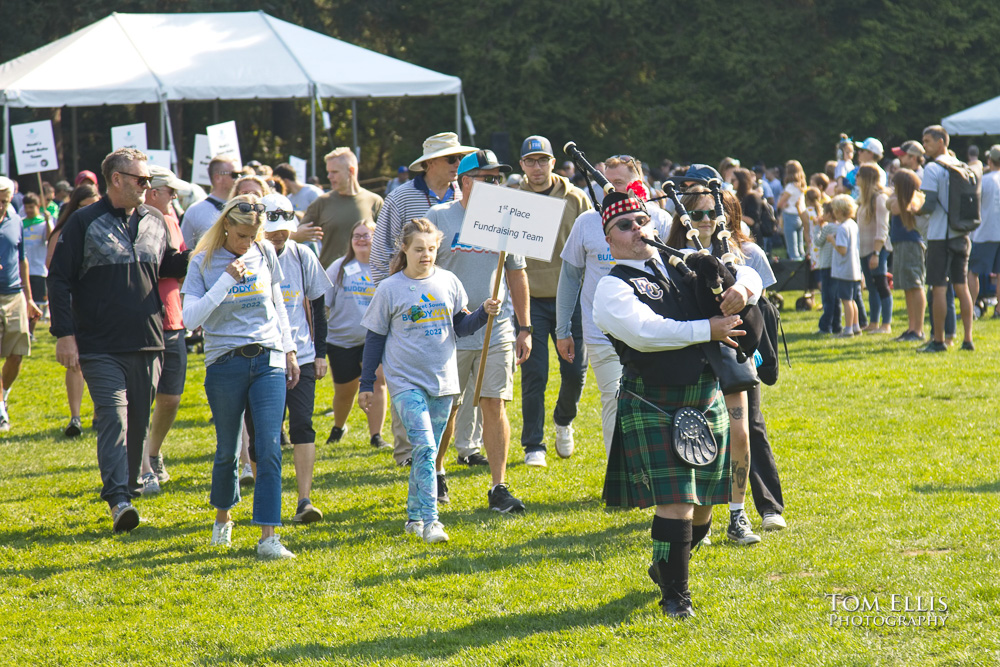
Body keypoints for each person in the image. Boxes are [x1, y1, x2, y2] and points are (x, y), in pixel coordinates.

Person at [593, 190, 754, 618]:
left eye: (641, 221)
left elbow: (748, 271)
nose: (636, 230)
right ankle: (676, 598)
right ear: (609, 241)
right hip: (654, 400)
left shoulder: (683, 261)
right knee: (677, 502)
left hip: (703, 396)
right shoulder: (610, 288)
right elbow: (647, 332)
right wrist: (708, 329)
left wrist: (739, 288)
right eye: (623, 227)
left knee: (703, 509)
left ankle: (665, 567)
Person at [48, 148, 190, 533]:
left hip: (148, 340)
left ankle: (128, 487)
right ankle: (118, 500)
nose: (148, 186)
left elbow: (166, 267)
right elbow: (58, 279)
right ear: (116, 179)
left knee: (138, 424)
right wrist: (64, 334)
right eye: (142, 180)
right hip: (98, 343)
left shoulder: (156, 221)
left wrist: (201, 255)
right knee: (113, 416)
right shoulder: (83, 223)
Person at [358, 218, 499, 543]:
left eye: (432, 249)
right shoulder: (389, 289)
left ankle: (412, 516)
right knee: (423, 445)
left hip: (443, 381)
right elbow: (375, 339)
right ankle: (431, 521)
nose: (426, 255)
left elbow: (460, 327)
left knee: (428, 451)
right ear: (404, 249)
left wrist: (483, 313)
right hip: (405, 382)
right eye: (419, 249)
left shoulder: (449, 281)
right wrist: (367, 384)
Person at [180, 194, 300, 558]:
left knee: (269, 447)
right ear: (226, 226)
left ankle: (269, 537)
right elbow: (191, 319)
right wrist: (226, 281)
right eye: (241, 236)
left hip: (268, 358)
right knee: (227, 449)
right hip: (224, 362)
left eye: (253, 236)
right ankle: (223, 520)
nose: (248, 243)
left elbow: (279, 305)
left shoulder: (264, 254)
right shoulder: (202, 262)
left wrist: (289, 351)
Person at [663, 170, 767, 545]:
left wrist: (742, 287)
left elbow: (750, 277)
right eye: (696, 215)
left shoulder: (733, 251)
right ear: (682, 220)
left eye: (711, 213)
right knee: (695, 439)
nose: (705, 221)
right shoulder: (667, 257)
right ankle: (695, 518)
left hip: (727, 352)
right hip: (688, 354)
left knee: (739, 434)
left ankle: (738, 516)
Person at [427, 149, 530, 512]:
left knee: (494, 402)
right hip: (447, 329)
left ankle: (499, 487)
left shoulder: (507, 219)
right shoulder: (439, 216)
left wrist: (525, 326)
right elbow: (422, 269)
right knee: (447, 406)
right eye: (488, 178)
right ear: (466, 181)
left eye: (498, 178)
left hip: (496, 328)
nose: (496, 184)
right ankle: (436, 472)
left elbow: (517, 273)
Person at [368, 132, 475, 466]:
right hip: (404, 303)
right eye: (451, 159)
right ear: (429, 163)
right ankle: (407, 453)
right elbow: (379, 249)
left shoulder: (467, 196)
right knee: (405, 377)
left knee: (446, 386)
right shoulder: (400, 198)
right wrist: (392, 294)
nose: (458, 165)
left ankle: (451, 450)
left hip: (446, 301)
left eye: (459, 159)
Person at [556, 155, 671, 456]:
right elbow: (569, 277)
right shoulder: (587, 222)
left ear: (638, 183)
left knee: (652, 398)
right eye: (604, 182)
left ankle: (650, 467)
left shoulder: (658, 220)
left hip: (651, 328)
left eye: (617, 183)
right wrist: (562, 328)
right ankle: (618, 476)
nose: (608, 189)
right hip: (600, 333)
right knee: (615, 397)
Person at [247, 193, 332, 524]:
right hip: (261, 356)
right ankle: (265, 502)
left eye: (284, 228)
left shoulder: (302, 256)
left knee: (302, 424)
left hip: (304, 356)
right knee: (262, 432)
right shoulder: (250, 256)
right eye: (273, 228)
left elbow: (318, 307)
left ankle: (304, 500)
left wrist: (321, 353)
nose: (279, 234)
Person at [517, 135, 592, 466]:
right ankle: (534, 443)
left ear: (552, 162)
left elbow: (593, 241)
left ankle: (563, 420)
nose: (537, 167)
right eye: (530, 161)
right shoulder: (511, 199)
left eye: (542, 160)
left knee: (575, 372)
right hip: (529, 298)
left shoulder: (576, 198)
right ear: (522, 165)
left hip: (570, 298)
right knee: (535, 374)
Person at [134, 166, 189, 495]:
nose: (174, 197)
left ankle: (153, 452)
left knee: (171, 398)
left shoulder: (172, 221)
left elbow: (177, 272)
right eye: (170, 192)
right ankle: (142, 467)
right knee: (142, 398)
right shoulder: (134, 222)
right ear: (153, 191)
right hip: (143, 321)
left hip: (174, 320)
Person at [324, 220, 388, 448]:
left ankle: (376, 436)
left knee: (378, 382)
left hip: (374, 340)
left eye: (366, 235)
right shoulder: (339, 267)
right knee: (345, 391)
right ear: (351, 241)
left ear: (376, 238)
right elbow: (324, 304)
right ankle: (338, 427)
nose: (361, 239)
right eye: (356, 236)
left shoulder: (385, 267)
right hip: (341, 341)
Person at [46, 183, 100, 436]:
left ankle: (101, 412)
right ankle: (75, 417)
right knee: (75, 362)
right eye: (84, 207)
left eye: (94, 206)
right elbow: (53, 268)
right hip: (71, 304)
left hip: (98, 305)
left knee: (101, 358)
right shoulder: (64, 232)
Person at [917, 125, 975, 352]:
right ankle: (968, 339)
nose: (924, 146)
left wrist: (913, 209)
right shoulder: (961, 165)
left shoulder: (933, 168)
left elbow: (929, 205)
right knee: (962, 288)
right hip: (962, 234)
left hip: (940, 236)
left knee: (939, 287)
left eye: (928, 141)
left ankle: (939, 340)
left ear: (941, 142)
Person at [0, 178, 43, 431]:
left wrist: (29, 298)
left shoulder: (15, 221)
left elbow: (22, 259)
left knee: (17, 354)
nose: (2, 205)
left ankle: (2, 399)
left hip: (15, 294)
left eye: (5, 200)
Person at [299, 148, 384, 269]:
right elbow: (293, 237)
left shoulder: (375, 201)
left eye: (334, 172)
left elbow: (387, 241)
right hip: (329, 278)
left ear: (351, 171)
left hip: (367, 280)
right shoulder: (321, 203)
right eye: (328, 172)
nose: (329, 176)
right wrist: (297, 235)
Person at [889, 169, 928, 341]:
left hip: (911, 243)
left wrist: (892, 196)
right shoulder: (903, 198)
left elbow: (894, 207)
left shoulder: (913, 197)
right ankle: (911, 327)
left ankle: (918, 330)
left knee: (915, 284)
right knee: (907, 286)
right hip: (901, 243)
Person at [856, 165, 893, 334]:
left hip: (877, 249)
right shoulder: (864, 199)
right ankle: (874, 322)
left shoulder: (879, 199)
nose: (855, 179)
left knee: (881, 284)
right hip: (865, 249)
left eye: (858, 175)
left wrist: (876, 253)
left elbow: (882, 228)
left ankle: (886, 324)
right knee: (871, 287)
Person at [181, 154, 242, 248]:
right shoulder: (195, 211)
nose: (239, 178)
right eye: (234, 175)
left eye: (240, 174)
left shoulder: (244, 207)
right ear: (218, 177)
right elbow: (185, 251)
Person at [967, 145, 1000, 316]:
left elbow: (974, 206)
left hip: (984, 232)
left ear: (989, 160)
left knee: (973, 272)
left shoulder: (985, 180)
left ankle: (971, 307)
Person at [829, 194, 862, 337]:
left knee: (846, 300)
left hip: (844, 269)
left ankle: (848, 329)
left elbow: (842, 250)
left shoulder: (842, 228)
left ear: (839, 211)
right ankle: (856, 326)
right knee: (852, 299)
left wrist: (832, 241)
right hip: (854, 268)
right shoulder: (853, 224)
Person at [19, 193, 53, 330]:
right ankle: (25, 328)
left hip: (39, 269)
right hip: (23, 270)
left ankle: (31, 330)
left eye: (31, 207)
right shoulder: (20, 222)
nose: (28, 210)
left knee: (37, 303)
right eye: (26, 207)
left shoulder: (44, 223)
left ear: (38, 206)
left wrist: (48, 221)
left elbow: (50, 239)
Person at [814, 201, 842, 334]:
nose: (822, 215)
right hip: (836, 266)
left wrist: (817, 227)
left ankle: (825, 326)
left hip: (826, 266)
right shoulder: (839, 226)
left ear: (830, 214)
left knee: (827, 297)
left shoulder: (827, 228)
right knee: (836, 297)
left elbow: (817, 242)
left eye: (824, 212)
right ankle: (837, 325)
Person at [776, 160, 807, 260]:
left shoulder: (790, 186)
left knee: (792, 249)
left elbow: (779, 204)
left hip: (790, 216)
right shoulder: (802, 185)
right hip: (800, 215)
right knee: (800, 246)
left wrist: (783, 204)